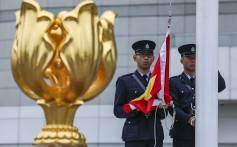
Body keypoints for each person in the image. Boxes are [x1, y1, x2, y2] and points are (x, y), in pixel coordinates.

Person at [169, 44, 226, 147]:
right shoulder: (174, 82)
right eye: (189, 58)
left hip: (205, 131)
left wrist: (211, 64)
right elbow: (172, 106)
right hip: (183, 132)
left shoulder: (205, 79)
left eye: (196, 58)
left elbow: (221, 86)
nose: (193, 61)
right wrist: (188, 119)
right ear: (181, 60)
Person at [114, 40, 167, 147]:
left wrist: (162, 108)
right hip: (134, 134)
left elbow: (163, 115)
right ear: (135, 58)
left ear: (153, 58)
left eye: (149, 55)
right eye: (142, 55)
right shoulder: (124, 81)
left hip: (154, 133)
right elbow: (117, 110)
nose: (146, 58)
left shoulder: (159, 82)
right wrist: (135, 108)